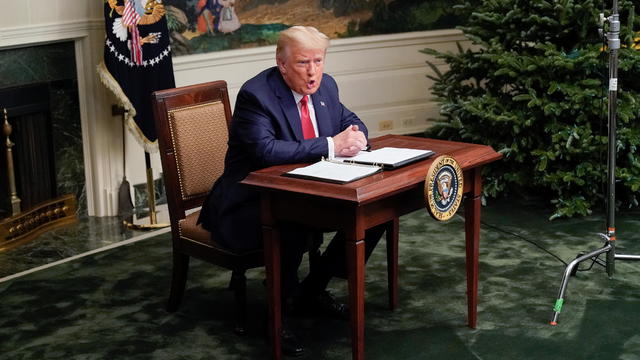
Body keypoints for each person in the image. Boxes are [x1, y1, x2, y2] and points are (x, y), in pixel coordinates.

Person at [198, 25, 385, 357]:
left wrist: (357, 137)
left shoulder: (326, 85)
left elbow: (350, 120)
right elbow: (266, 152)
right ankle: (277, 319)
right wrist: (331, 145)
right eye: (302, 63)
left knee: (375, 210)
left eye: (318, 61)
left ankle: (312, 289)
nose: (312, 72)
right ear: (281, 63)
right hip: (248, 201)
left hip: (309, 192)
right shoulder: (256, 95)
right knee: (292, 227)